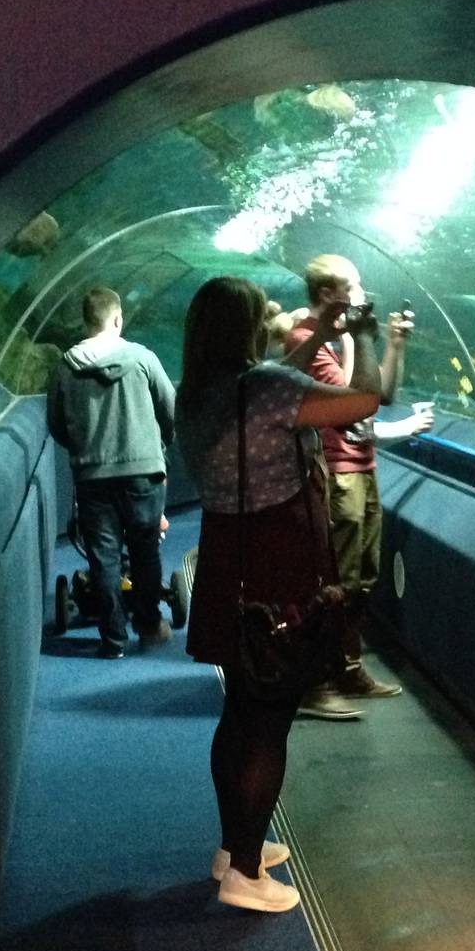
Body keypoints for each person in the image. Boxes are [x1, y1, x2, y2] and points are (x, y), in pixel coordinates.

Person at [175, 275, 381, 913]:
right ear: (246, 328)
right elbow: (364, 401)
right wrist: (365, 337)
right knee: (270, 721)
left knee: (240, 709)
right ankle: (244, 872)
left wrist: (320, 335)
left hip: (229, 561)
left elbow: (275, 377)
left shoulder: (198, 393)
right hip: (279, 560)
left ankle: (234, 845)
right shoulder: (264, 386)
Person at [281, 253, 429, 719]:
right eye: (354, 286)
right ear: (328, 294)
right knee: (334, 582)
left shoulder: (335, 339)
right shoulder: (305, 339)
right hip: (336, 471)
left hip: (363, 466)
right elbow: (353, 405)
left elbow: (381, 395)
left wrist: (395, 346)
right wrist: (351, 339)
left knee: (363, 579)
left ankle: (347, 667)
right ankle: (315, 680)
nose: (363, 294)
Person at [47, 286, 176, 659]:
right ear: (118, 318)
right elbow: (169, 407)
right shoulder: (143, 358)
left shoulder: (65, 367)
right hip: (143, 471)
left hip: (92, 475)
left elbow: (56, 424)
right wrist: (160, 446)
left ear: (86, 321)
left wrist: (82, 448)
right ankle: (149, 627)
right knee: (145, 551)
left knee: (103, 557)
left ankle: (113, 640)